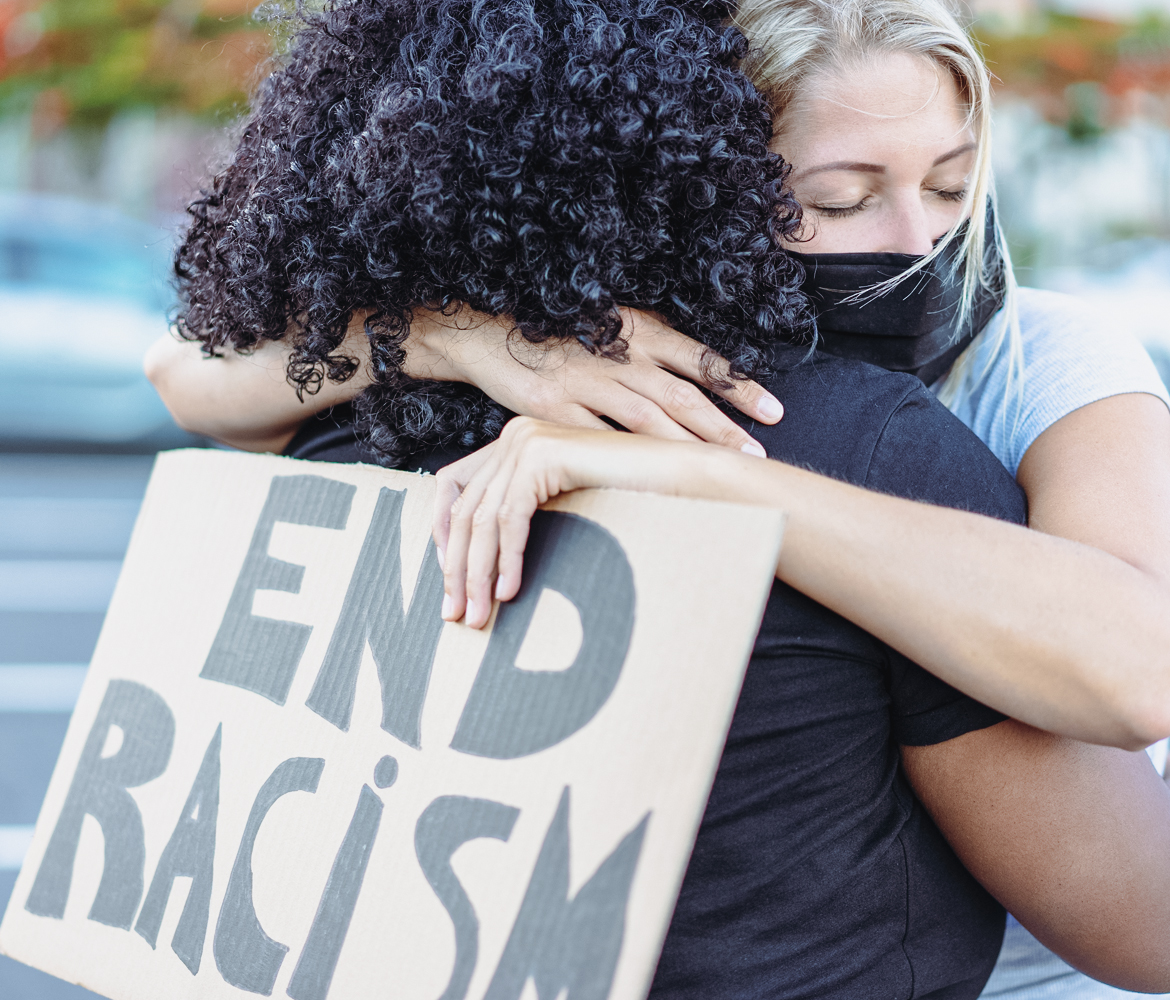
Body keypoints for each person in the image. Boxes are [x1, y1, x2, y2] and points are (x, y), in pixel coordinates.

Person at [154, 0, 1170, 995]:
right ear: (690, 177)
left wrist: (714, 476)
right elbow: (184, 367)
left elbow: (1132, 665)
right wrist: (453, 336)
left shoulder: (1031, 363)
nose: (916, 243)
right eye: (838, 200)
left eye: (953, 186)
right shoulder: (847, 432)